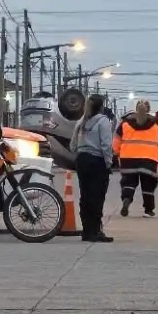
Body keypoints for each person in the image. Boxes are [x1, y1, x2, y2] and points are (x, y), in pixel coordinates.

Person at [70, 94, 114, 242]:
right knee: (97, 196)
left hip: (82, 161)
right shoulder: (103, 121)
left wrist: (80, 152)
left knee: (85, 196)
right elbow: (106, 145)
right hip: (97, 161)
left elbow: (72, 145)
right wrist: (108, 163)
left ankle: (87, 231)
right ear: (101, 107)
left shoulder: (81, 122)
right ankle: (95, 231)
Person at [114, 99, 158, 218]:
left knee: (128, 182)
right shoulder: (156, 124)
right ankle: (148, 210)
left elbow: (116, 142)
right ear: (149, 109)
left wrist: (117, 152)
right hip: (149, 159)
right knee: (148, 185)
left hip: (128, 159)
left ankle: (127, 200)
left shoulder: (125, 123)